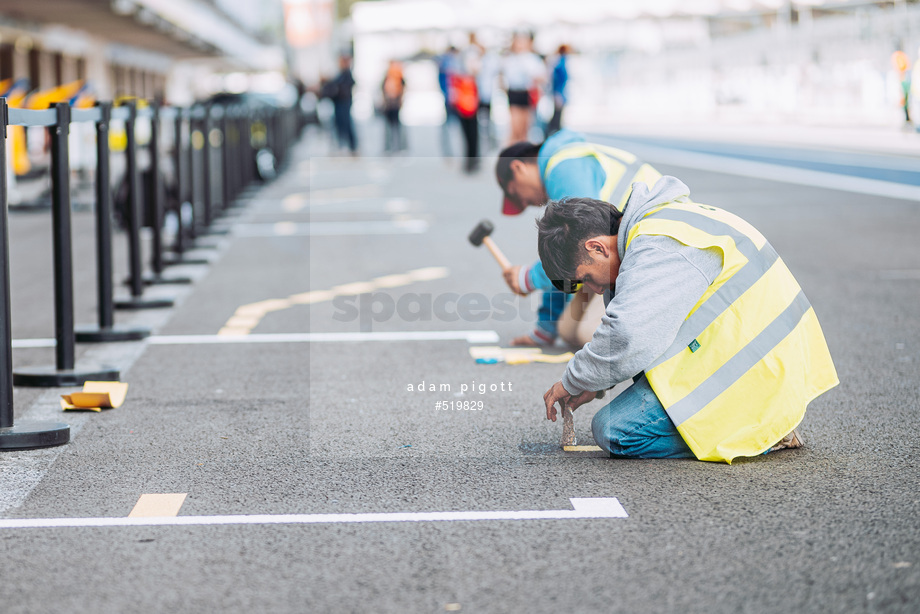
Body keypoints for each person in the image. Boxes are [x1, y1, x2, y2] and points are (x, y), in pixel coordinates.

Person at [537, 187, 839, 463]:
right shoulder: (664, 224)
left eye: (587, 277)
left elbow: (630, 335)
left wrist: (573, 381)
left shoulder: (659, 246)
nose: (597, 290)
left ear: (597, 247)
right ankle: (760, 418)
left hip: (756, 373)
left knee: (614, 430)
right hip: (762, 358)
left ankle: (761, 430)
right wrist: (597, 383)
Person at [495, 129, 661, 347]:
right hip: (618, 249)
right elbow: (566, 259)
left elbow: (577, 246)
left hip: (649, 249)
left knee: (588, 336)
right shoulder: (561, 162)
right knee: (569, 330)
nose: (525, 204)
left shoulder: (565, 167)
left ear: (518, 167)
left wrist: (530, 278)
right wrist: (546, 328)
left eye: (517, 195)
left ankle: (661, 322)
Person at [501, 32, 544, 143]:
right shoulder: (510, 59)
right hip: (515, 92)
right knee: (515, 128)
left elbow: (541, 77)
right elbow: (504, 77)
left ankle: (521, 154)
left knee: (525, 129)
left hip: (526, 93)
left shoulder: (532, 59)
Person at [323, 54, 357, 155]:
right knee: (340, 124)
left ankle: (350, 146)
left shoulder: (347, 74)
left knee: (346, 124)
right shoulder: (340, 74)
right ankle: (343, 145)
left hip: (344, 102)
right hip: (339, 103)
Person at [381, 60, 406, 153]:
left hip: (392, 104)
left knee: (393, 127)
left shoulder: (395, 75)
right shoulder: (395, 75)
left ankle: (395, 147)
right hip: (391, 104)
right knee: (394, 127)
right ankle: (396, 147)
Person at [546, 45, 570, 137]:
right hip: (560, 93)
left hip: (560, 92)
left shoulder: (560, 61)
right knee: (557, 117)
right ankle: (553, 134)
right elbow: (558, 80)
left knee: (558, 116)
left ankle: (554, 133)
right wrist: (557, 93)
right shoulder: (560, 62)